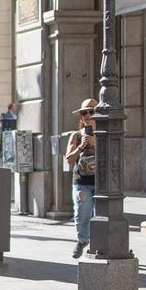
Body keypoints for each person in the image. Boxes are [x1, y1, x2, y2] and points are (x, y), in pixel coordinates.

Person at [63, 99, 97, 259]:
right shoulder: (76, 135)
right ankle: (82, 240)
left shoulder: (106, 135)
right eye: (85, 112)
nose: (88, 115)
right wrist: (80, 146)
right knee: (82, 213)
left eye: (92, 111)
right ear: (81, 117)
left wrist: (96, 143)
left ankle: (99, 244)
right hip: (81, 182)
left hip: (102, 183)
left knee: (101, 216)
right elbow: (69, 159)